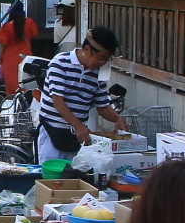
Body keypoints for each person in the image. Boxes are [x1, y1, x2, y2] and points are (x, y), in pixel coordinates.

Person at [38, 27, 127, 161]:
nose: (102, 64)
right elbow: (58, 101)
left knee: (74, 176)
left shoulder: (98, 73)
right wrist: (78, 125)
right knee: (51, 177)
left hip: (76, 136)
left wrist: (118, 119)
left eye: (106, 60)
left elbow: (102, 106)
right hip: (52, 130)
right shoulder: (60, 62)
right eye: (101, 58)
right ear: (87, 50)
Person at [0, 0, 39, 95]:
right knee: (25, 83)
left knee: (11, 84)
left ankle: (14, 104)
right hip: (25, 58)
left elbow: (2, 45)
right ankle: (27, 102)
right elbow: (34, 34)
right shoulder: (29, 22)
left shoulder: (6, 27)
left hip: (9, 59)